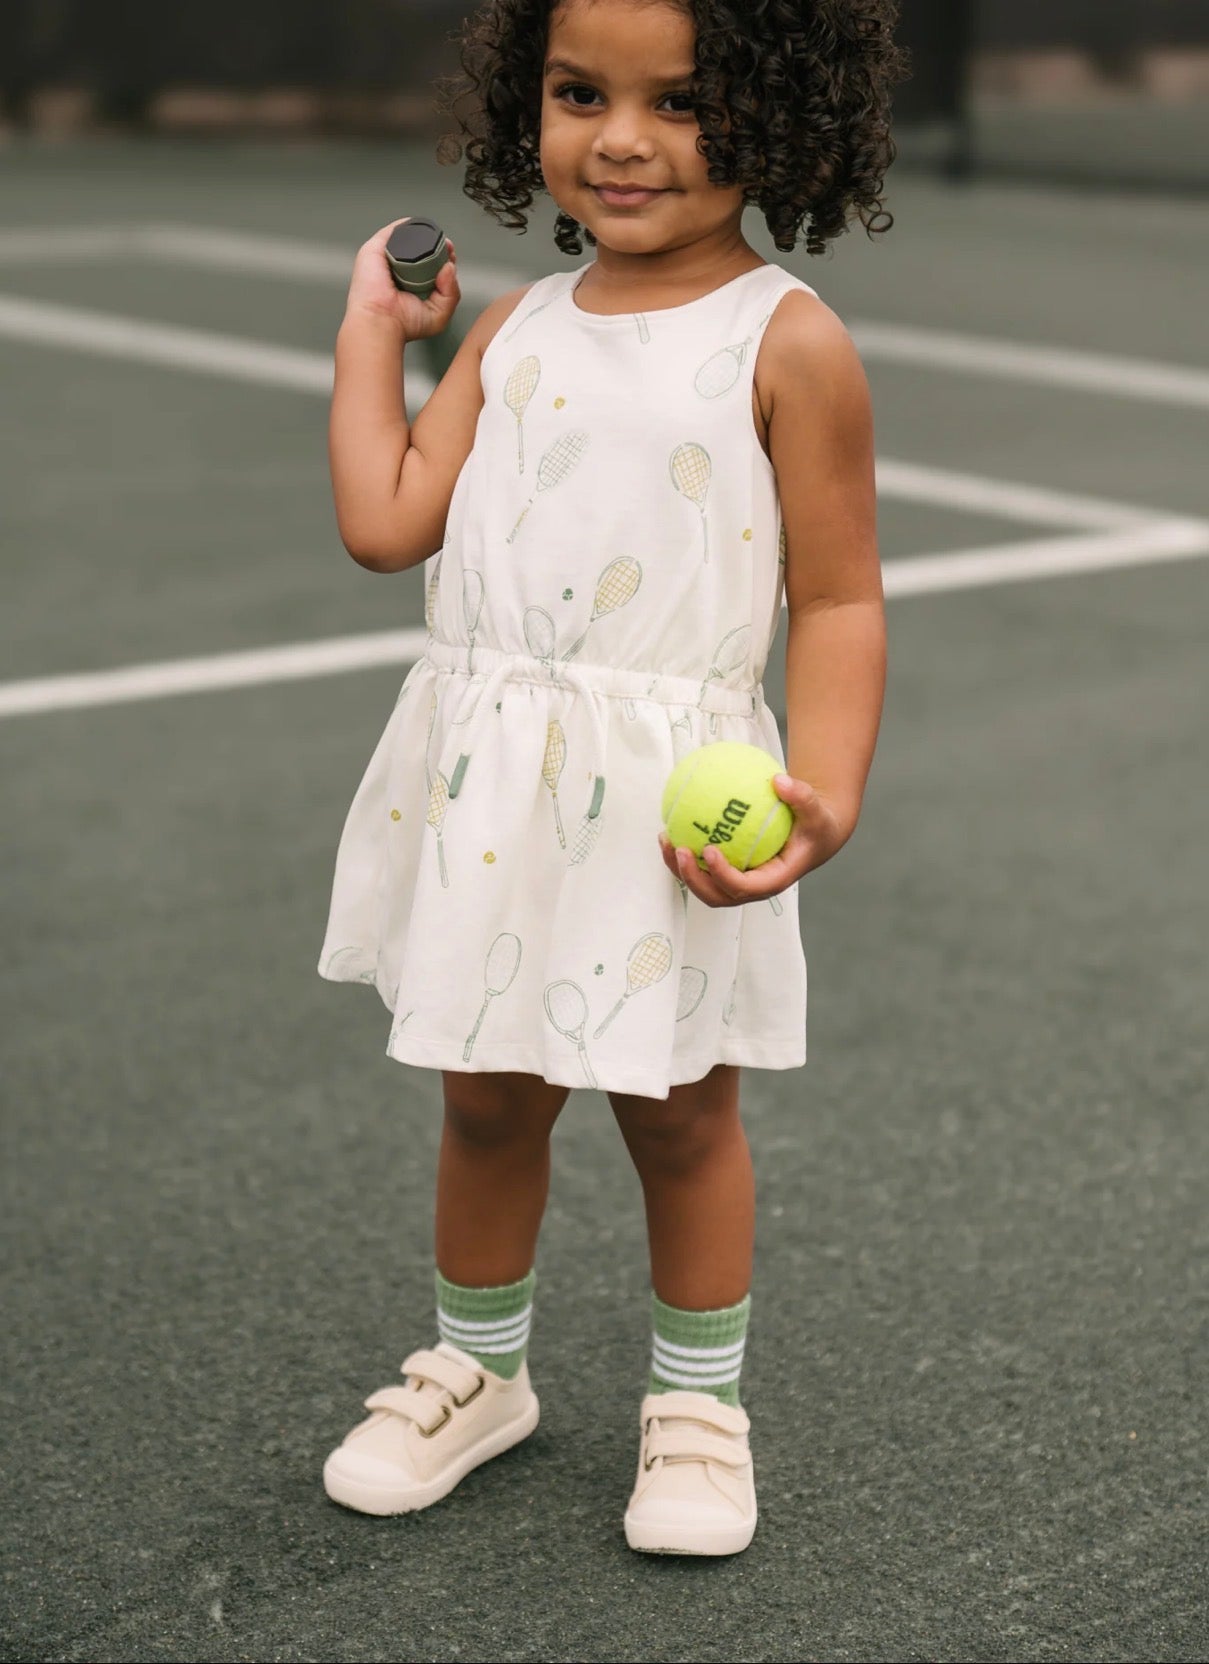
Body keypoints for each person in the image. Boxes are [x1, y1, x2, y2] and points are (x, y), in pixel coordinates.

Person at [318, 0, 902, 1556]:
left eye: (682, 102)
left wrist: (824, 794)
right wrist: (376, 335)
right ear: (531, 102)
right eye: (580, 94)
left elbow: (837, 599)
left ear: (780, 118)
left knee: (678, 1113)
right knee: (488, 1099)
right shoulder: (511, 329)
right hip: (492, 783)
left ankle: (699, 1411)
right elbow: (385, 521)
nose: (621, 138)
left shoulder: (788, 341)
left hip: (668, 800)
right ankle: (477, 1372)